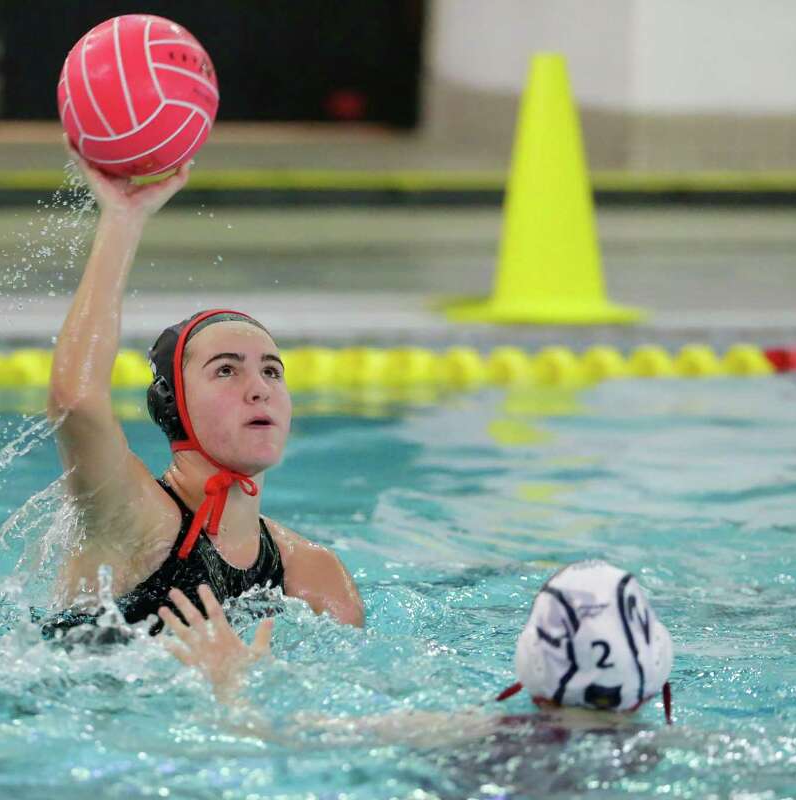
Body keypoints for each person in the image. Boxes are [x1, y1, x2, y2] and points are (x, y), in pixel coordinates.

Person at [42, 147, 364, 640]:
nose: (259, 389)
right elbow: (76, 401)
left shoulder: (314, 577)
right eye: (226, 371)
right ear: (173, 406)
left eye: (272, 372)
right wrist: (122, 218)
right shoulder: (130, 517)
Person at [160, 560, 673, 733]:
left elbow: (275, 739)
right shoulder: (685, 747)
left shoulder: (476, 736)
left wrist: (232, 685)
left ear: (532, 665)